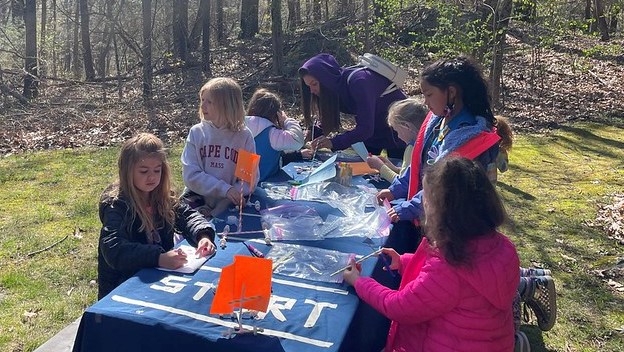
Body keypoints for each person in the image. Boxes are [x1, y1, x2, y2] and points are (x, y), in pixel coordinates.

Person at [343, 156, 520, 351]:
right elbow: (446, 286)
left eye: (425, 198)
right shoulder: (503, 246)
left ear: (441, 210)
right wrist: (404, 261)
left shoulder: (449, 267)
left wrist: (359, 282)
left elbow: (399, 307)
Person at [376, 55, 513, 254]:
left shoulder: (468, 135)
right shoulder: (438, 120)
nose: (426, 102)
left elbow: (441, 186)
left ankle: (526, 281)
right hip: (434, 215)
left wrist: (409, 208)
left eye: (429, 95)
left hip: (458, 226)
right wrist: (397, 189)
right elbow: (422, 163)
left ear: (451, 92)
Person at [98, 133, 217, 299]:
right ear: (127, 172)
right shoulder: (117, 205)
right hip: (123, 287)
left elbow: (187, 215)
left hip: (160, 280)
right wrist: (158, 258)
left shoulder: (162, 196)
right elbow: (113, 249)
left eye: (157, 170)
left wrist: (203, 235)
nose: (152, 177)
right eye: (144, 171)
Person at [298, 53, 407, 159]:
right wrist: (312, 133)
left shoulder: (359, 82)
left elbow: (366, 128)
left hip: (399, 129)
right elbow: (328, 115)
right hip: (373, 134)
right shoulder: (334, 89)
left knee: (400, 171)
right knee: (367, 170)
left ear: (326, 78)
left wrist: (333, 142)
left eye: (314, 84)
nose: (312, 91)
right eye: (308, 86)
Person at [180, 77, 258, 217]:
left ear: (227, 106)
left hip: (229, 201)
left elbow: (248, 180)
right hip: (198, 197)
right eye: (202, 100)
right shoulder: (197, 133)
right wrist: (223, 189)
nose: (203, 106)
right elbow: (190, 175)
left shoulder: (244, 136)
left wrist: (231, 194)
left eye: (209, 102)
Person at [245, 88, 305, 182]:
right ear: (276, 114)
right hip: (266, 184)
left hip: (242, 185)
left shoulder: (239, 127)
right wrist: (286, 121)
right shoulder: (272, 134)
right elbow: (297, 141)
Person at [366, 98, 428, 183]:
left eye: (397, 131)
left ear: (406, 126)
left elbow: (403, 184)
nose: (398, 136)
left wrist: (380, 167)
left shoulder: (412, 148)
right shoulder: (426, 142)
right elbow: (408, 174)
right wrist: (393, 168)